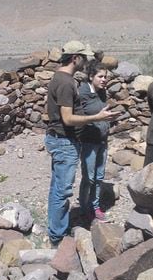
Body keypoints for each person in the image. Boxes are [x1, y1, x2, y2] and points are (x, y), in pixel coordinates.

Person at [45, 40, 119, 246]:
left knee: (56, 188)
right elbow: (67, 119)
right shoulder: (67, 83)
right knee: (62, 191)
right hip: (64, 142)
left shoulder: (59, 78)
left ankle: (54, 229)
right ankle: (58, 237)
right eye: (83, 58)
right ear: (75, 58)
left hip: (61, 140)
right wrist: (97, 118)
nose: (85, 62)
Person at [78, 61, 110, 223]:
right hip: (89, 141)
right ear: (91, 77)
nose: (104, 79)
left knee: (99, 176)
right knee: (89, 177)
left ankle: (95, 205)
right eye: (100, 76)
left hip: (102, 141)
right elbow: (78, 116)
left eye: (105, 77)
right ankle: (84, 207)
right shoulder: (82, 93)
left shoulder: (102, 92)